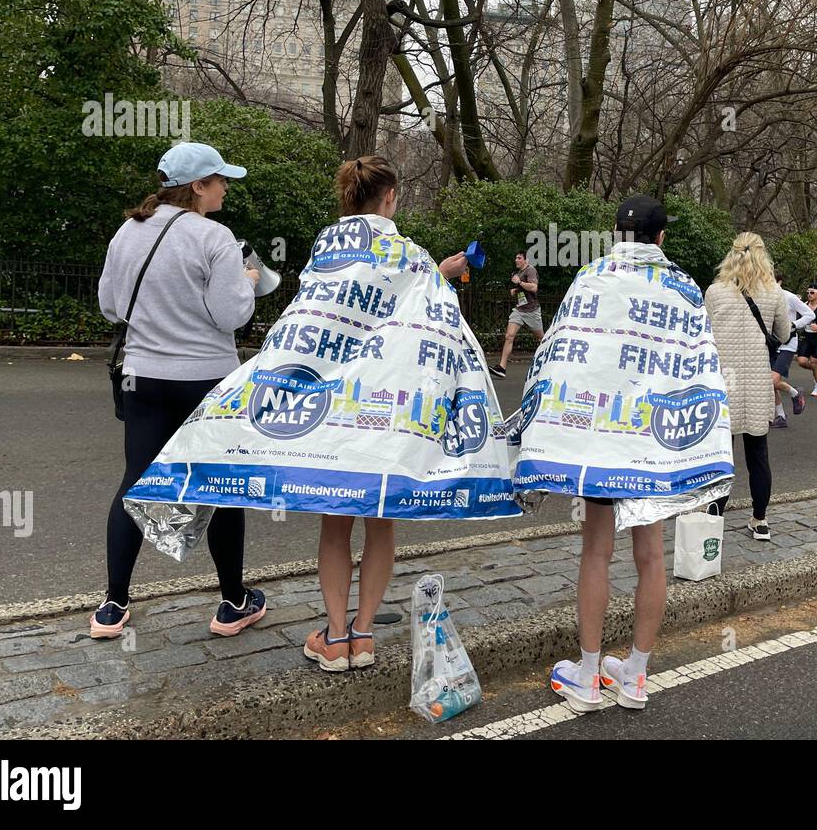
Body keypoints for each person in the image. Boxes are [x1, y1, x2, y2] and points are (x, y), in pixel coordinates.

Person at [120, 155, 519, 671]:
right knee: (381, 523)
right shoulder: (409, 254)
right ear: (391, 197)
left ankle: (333, 638)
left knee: (336, 523)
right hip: (390, 414)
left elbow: (323, 312)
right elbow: (420, 311)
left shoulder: (327, 245)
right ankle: (366, 635)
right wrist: (441, 275)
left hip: (336, 413)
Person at [514, 195, 733, 712]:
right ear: (662, 237)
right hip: (654, 443)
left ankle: (588, 674)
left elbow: (562, 353)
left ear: (616, 234)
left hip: (600, 438)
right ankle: (635, 674)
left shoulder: (591, 277)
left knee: (595, 551)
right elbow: (700, 361)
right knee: (652, 554)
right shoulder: (682, 288)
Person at [95, 142, 264, 640]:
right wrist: (249, 279)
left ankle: (112, 605)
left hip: (143, 376)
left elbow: (109, 305)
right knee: (223, 490)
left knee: (134, 483)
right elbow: (231, 314)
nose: (225, 187)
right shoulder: (215, 237)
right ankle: (232, 604)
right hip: (206, 381)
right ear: (197, 187)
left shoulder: (127, 232)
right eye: (220, 180)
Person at [705, 234, 791, 539]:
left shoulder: (715, 292)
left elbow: (705, 335)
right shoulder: (774, 293)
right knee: (758, 454)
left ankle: (713, 519)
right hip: (756, 378)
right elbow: (783, 332)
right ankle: (760, 519)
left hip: (723, 378)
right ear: (763, 256)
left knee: (720, 457)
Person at [770, 274, 815, 428]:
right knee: (769, 383)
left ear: (780, 282)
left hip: (788, 344)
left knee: (772, 380)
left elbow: (810, 314)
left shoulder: (788, 297)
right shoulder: (763, 297)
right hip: (771, 344)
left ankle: (795, 393)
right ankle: (781, 416)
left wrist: (794, 324)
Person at [489, 250, 543, 378]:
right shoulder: (518, 273)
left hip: (532, 311)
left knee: (541, 339)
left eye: (519, 258)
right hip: (519, 310)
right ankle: (502, 368)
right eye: (516, 258)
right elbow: (524, 289)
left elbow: (534, 288)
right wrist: (516, 290)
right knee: (509, 336)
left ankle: (550, 363)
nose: (516, 260)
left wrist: (519, 283)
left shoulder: (530, 270)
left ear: (526, 260)